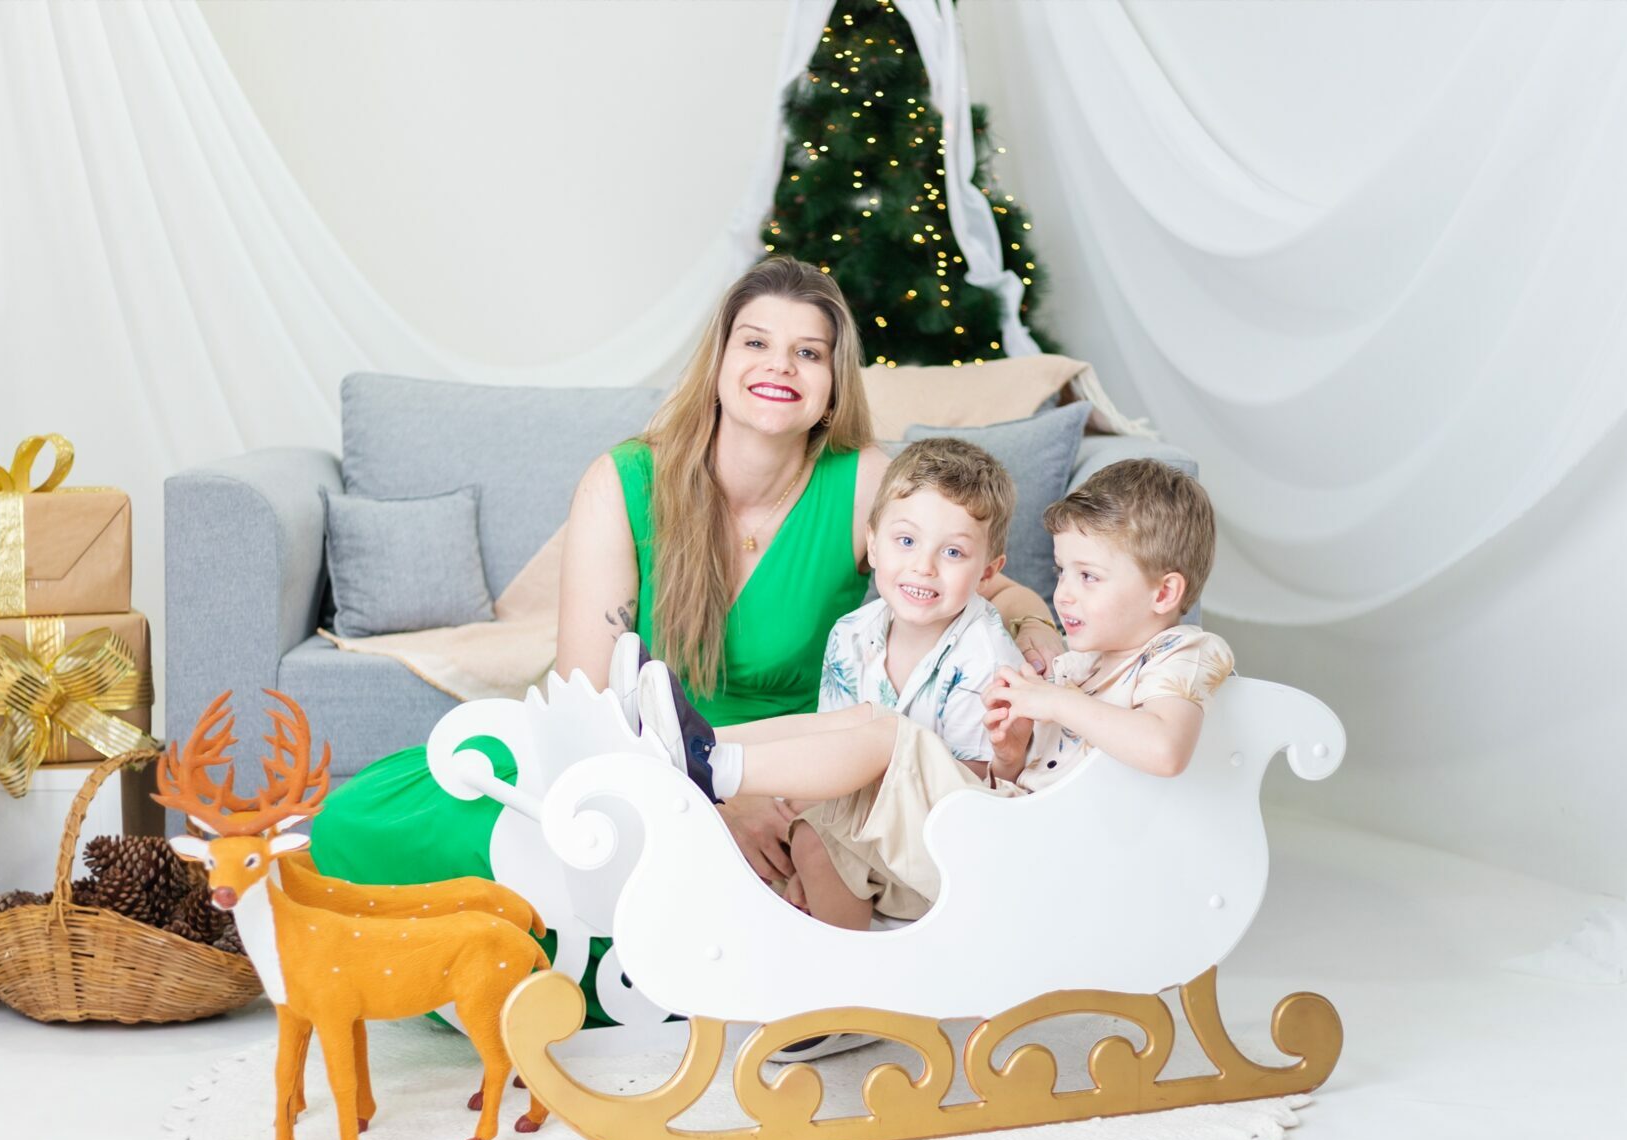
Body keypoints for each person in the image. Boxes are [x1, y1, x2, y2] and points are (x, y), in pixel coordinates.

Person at [306, 255, 1063, 1023]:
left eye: (808, 352)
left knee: (669, 920)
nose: (780, 366)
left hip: (783, 776)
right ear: (719, 361)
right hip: (634, 756)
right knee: (362, 822)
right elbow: (586, 700)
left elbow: (978, 584)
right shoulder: (626, 480)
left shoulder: (864, 480)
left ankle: (594, 971)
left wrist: (1036, 628)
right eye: (756, 343)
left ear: (833, 384)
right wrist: (704, 807)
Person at [637, 457, 1235, 934]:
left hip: (1031, 866)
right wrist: (1012, 749)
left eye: (1088, 577)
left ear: (1164, 593)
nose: (1064, 594)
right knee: (843, 771)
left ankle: (714, 765)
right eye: (1063, 572)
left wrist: (1052, 703)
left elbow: (1165, 749)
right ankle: (688, 743)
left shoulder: (1181, 651)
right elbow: (1021, 774)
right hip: (1000, 841)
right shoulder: (1076, 666)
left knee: (886, 734)